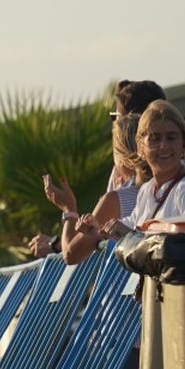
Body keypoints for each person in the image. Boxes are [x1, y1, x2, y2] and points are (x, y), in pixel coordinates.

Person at [27, 80, 166, 258]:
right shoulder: (181, 177)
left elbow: (72, 253)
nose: (113, 125)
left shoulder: (125, 197)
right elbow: (103, 236)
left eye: (115, 116)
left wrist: (69, 209)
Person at [41, 112, 148, 265]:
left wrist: (69, 210)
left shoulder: (116, 199)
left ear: (121, 157)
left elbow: (71, 254)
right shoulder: (166, 186)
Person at [104, 99, 185, 233]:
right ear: (141, 147)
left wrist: (129, 235)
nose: (164, 146)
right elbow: (130, 225)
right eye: (155, 138)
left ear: (184, 143)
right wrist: (100, 229)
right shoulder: (147, 190)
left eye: (171, 138)